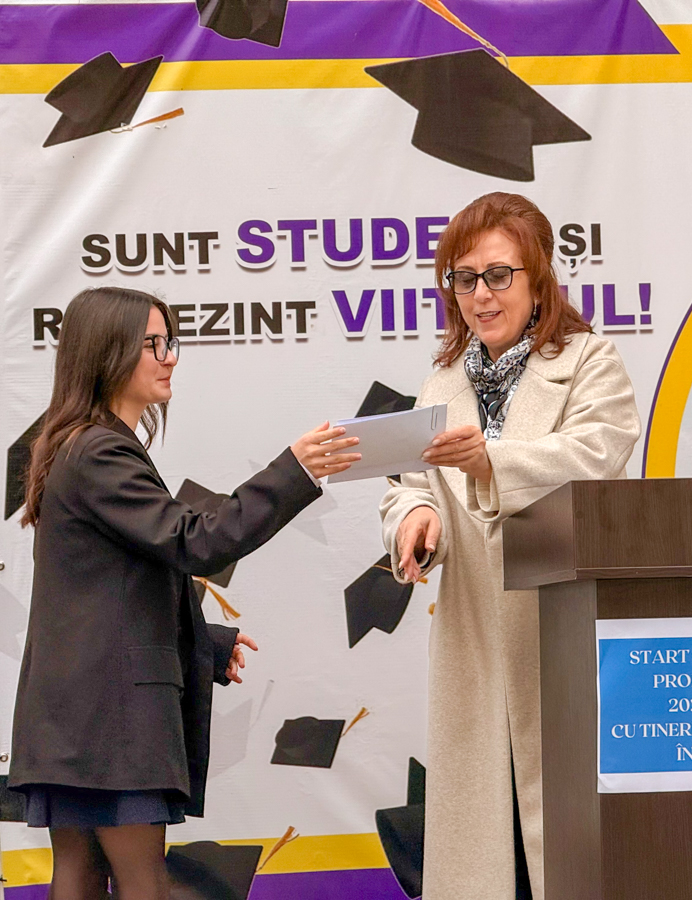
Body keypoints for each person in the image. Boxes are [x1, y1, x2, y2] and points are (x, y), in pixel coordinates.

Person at [8, 287, 361, 899]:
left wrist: (206, 643)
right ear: (107, 351)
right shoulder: (100, 450)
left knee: (81, 875)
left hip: (78, 716)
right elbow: (196, 541)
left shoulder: (81, 444)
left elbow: (112, 587)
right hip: (109, 719)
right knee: (142, 884)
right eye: (152, 344)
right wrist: (296, 469)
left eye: (169, 341)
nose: (169, 356)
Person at [380, 192, 641, 900]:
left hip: (560, 632)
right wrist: (413, 520)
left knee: (564, 855)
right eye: (464, 278)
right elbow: (410, 485)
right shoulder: (442, 381)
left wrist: (490, 462)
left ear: (538, 280)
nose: (480, 294)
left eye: (498, 275)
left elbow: (597, 455)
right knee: (485, 857)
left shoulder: (589, 361)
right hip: (473, 636)